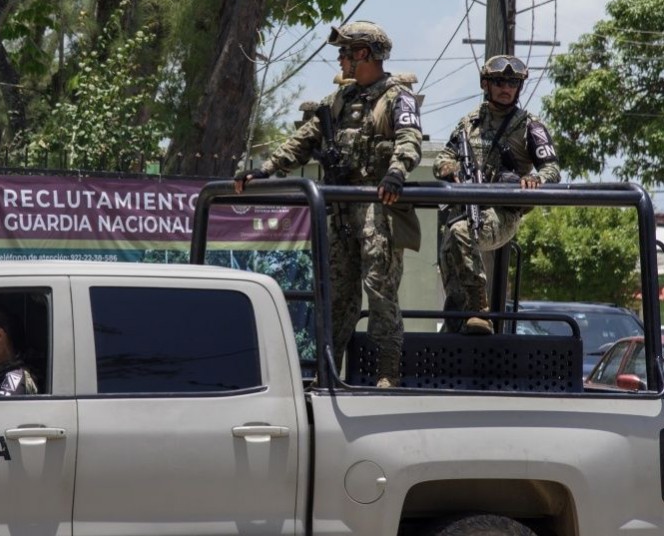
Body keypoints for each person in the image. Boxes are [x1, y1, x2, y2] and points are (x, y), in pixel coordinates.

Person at [234, 20, 423, 388]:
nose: (340, 59)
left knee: (378, 285)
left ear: (364, 54)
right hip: (339, 206)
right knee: (337, 293)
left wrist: (397, 172)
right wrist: (267, 169)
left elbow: (409, 138)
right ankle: (328, 370)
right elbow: (302, 140)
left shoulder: (398, 97)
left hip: (376, 203)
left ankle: (388, 370)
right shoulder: (337, 101)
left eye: (346, 52)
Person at [433, 55, 561, 334]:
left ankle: (480, 311)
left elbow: (552, 168)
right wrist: (449, 167)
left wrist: (535, 179)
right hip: (465, 207)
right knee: (449, 252)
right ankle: (458, 320)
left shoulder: (530, 125)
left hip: (503, 212)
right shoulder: (470, 123)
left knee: (461, 234)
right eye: (500, 81)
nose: (507, 88)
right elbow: (442, 158)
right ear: (486, 84)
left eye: (513, 82)